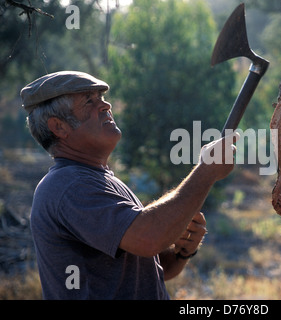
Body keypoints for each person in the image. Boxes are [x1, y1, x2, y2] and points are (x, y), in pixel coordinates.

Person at [21, 71, 239, 299]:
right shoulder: (69, 186)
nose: (106, 105)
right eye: (89, 101)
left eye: (102, 98)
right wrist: (206, 171)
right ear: (59, 127)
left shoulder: (97, 179)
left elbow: (150, 268)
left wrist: (180, 253)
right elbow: (148, 238)